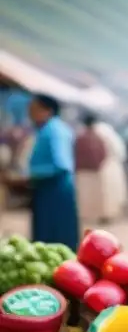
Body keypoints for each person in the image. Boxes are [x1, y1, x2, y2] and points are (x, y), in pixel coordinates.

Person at [25, 94, 78, 248]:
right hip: (48, 188)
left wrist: (30, 176)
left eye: (34, 110)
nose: (30, 114)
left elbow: (61, 164)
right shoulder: (49, 129)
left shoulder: (54, 130)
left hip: (55, 188)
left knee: (55, 237)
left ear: (47, 110)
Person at [74, 113, 108, 224]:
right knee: (97, 195)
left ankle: (84, 216)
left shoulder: (79, 138)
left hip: (83, 171)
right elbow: (104, 153)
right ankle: (100, 215)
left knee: (84, 195)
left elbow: (74, 153)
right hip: (95, 171)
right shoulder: (99, 137)